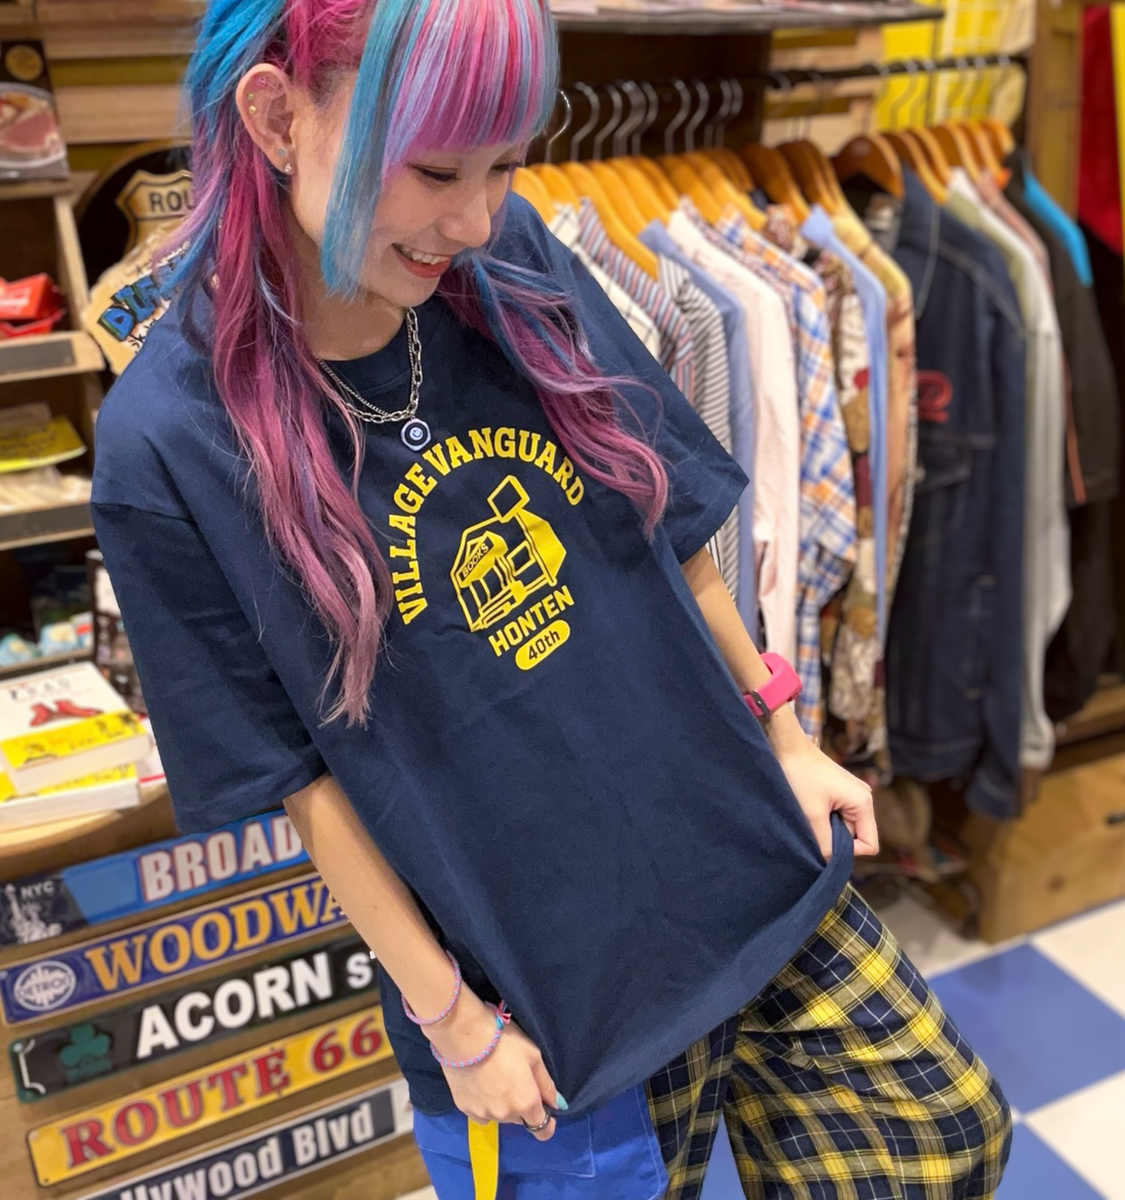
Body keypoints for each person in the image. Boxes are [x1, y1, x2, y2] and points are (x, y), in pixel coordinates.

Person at [91, 1, 1012, 1197]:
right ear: (274, 118)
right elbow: (296, 781)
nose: (474, 217)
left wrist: (782, 731)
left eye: (506, 164)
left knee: (940, 1137)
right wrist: (452, 1023)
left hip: (729, 838)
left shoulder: (503, 256)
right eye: (435, 171)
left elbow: (661, 508)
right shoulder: (168, 441)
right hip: (541, 975)